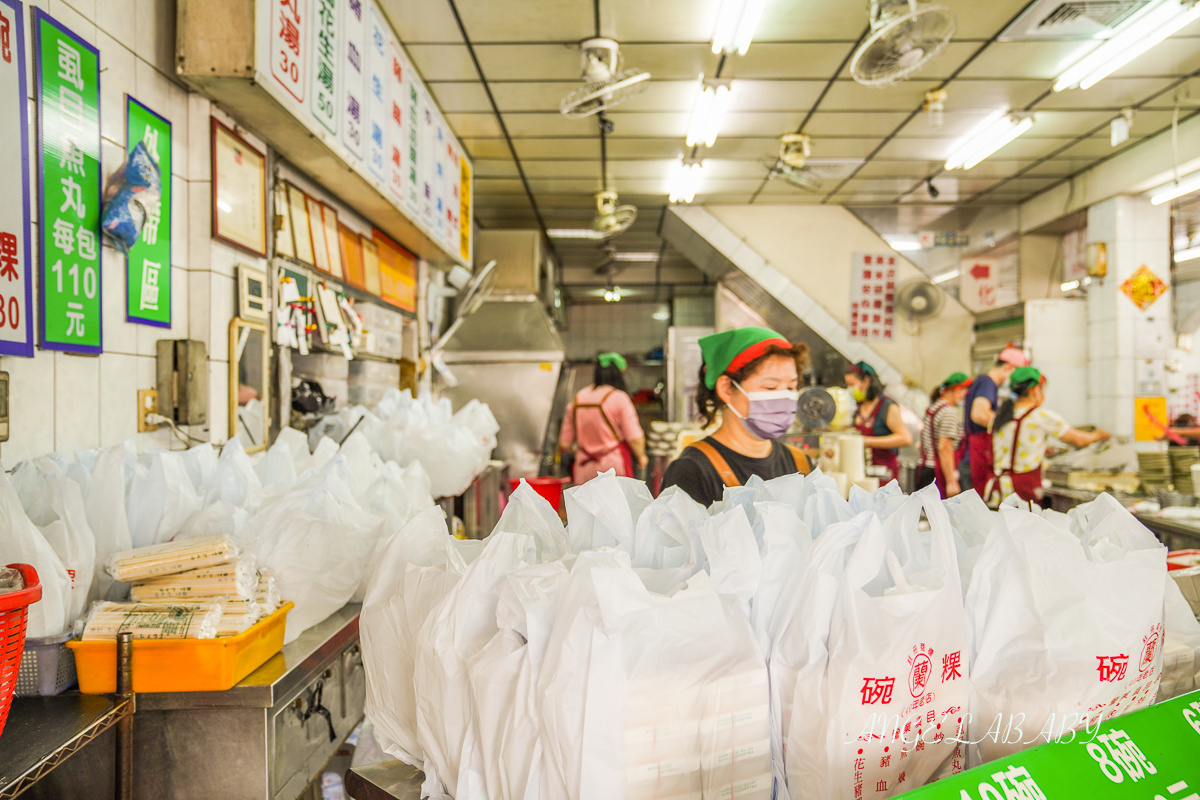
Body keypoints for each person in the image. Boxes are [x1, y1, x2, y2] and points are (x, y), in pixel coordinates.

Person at [661, 327, 812, 507]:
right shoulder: (692, 471)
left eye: (791, 387)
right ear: (726, 389)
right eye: (770, 387)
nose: (784, 398)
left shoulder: (800, 463)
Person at [985, 367, 1110, 505]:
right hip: (1021, 494)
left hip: (997, 492)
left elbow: (1011, 448)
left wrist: (1042, 449)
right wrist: (1100, 435)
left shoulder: (1001, 416)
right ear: (1034, 390)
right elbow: (1080, 440)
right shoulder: (1040, 416)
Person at [559, 352, 647, 484]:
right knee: (615, 504)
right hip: (612, 468)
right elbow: (634, 438)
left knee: (584, 504)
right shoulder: (619, 397)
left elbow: (565, 443)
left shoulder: (579, 397)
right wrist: (641, 456)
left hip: (583, 468)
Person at [963, 346, 1030, 493]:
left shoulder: (983, 382)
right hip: (977, 456)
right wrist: (1010, 429)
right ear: (1008, 367)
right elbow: (979, 415)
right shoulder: (987, 384)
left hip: (975, 456)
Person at [844, 361, 912, 483]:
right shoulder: (858, 407)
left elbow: (905, 438)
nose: (850, 389)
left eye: (852, 384)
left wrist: (866, 441)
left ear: (866, 381)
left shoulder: (887, 406)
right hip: (862, 472)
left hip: (884, 473)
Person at [916, 372, 970, 497]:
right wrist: (951, 481)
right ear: (957, 391)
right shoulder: (948, 412)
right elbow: (944, 447)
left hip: (925, 470)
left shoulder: (934, 408)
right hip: (937, 473)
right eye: (964, 392)